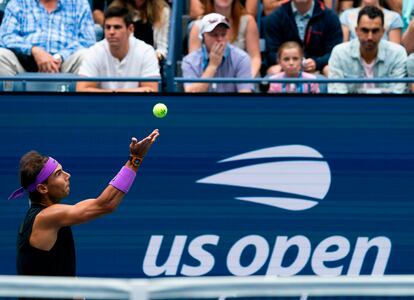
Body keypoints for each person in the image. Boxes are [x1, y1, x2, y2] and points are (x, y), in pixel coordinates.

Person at [9, 129, 159, 277]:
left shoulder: (46, 216)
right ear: (42, 188)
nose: (68, 175)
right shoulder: (46, 217)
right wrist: (135, 159)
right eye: (59, 174)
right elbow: (106, 204)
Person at [76, 6, 160, 93]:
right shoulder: (94, 52)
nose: (111, 32)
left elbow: (151, 90)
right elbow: (81, 90)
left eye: (117, 27)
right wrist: (115, 94)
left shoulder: (146, 52)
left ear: (130, 29)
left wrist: (114, 93)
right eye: (108, 27)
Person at [0, 0, 95, 75]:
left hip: (64, 65)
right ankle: (12, 99)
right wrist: (34, 51)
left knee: (86, 56)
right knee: (1, 55)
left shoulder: (80, 4)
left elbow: (88, 40)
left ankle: (77, 100)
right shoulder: (17, 3)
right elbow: (6, 36)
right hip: (24, 63)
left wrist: (59, 57)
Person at [328, 6, 407, 93]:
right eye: (365, 30)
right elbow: (337, 96)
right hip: (350, 106)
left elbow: (398, 96)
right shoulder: (340, 53)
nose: (370, 37)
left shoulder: (397, 54)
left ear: (383, 32)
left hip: (386, 106)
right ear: (356, 31)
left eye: (375, 31)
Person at [264, 0, 342, 77]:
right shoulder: (275, 17)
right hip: (285, 68)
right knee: (273, 71)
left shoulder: (330, 17)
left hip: (319, 69)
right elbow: (272, 51)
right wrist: (286, 62)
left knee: (329, 71)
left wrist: (317, 63)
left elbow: (334, 51)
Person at [181, 13, 254, 93]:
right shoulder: (189, 62)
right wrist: (212, 66)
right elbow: (191, 96)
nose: (220, 39)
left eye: (223, 34)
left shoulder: (242, 58)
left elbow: (245, 97)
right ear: (203, 36)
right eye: (214, 35)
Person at [188, 0, 261, 77]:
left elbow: (255, 58)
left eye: (223, 34)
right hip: (209, 82)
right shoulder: (198, 26)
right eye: (213, 34)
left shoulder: (248, 21)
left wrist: (245, 81)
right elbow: (194, 64)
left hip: (243, 80)